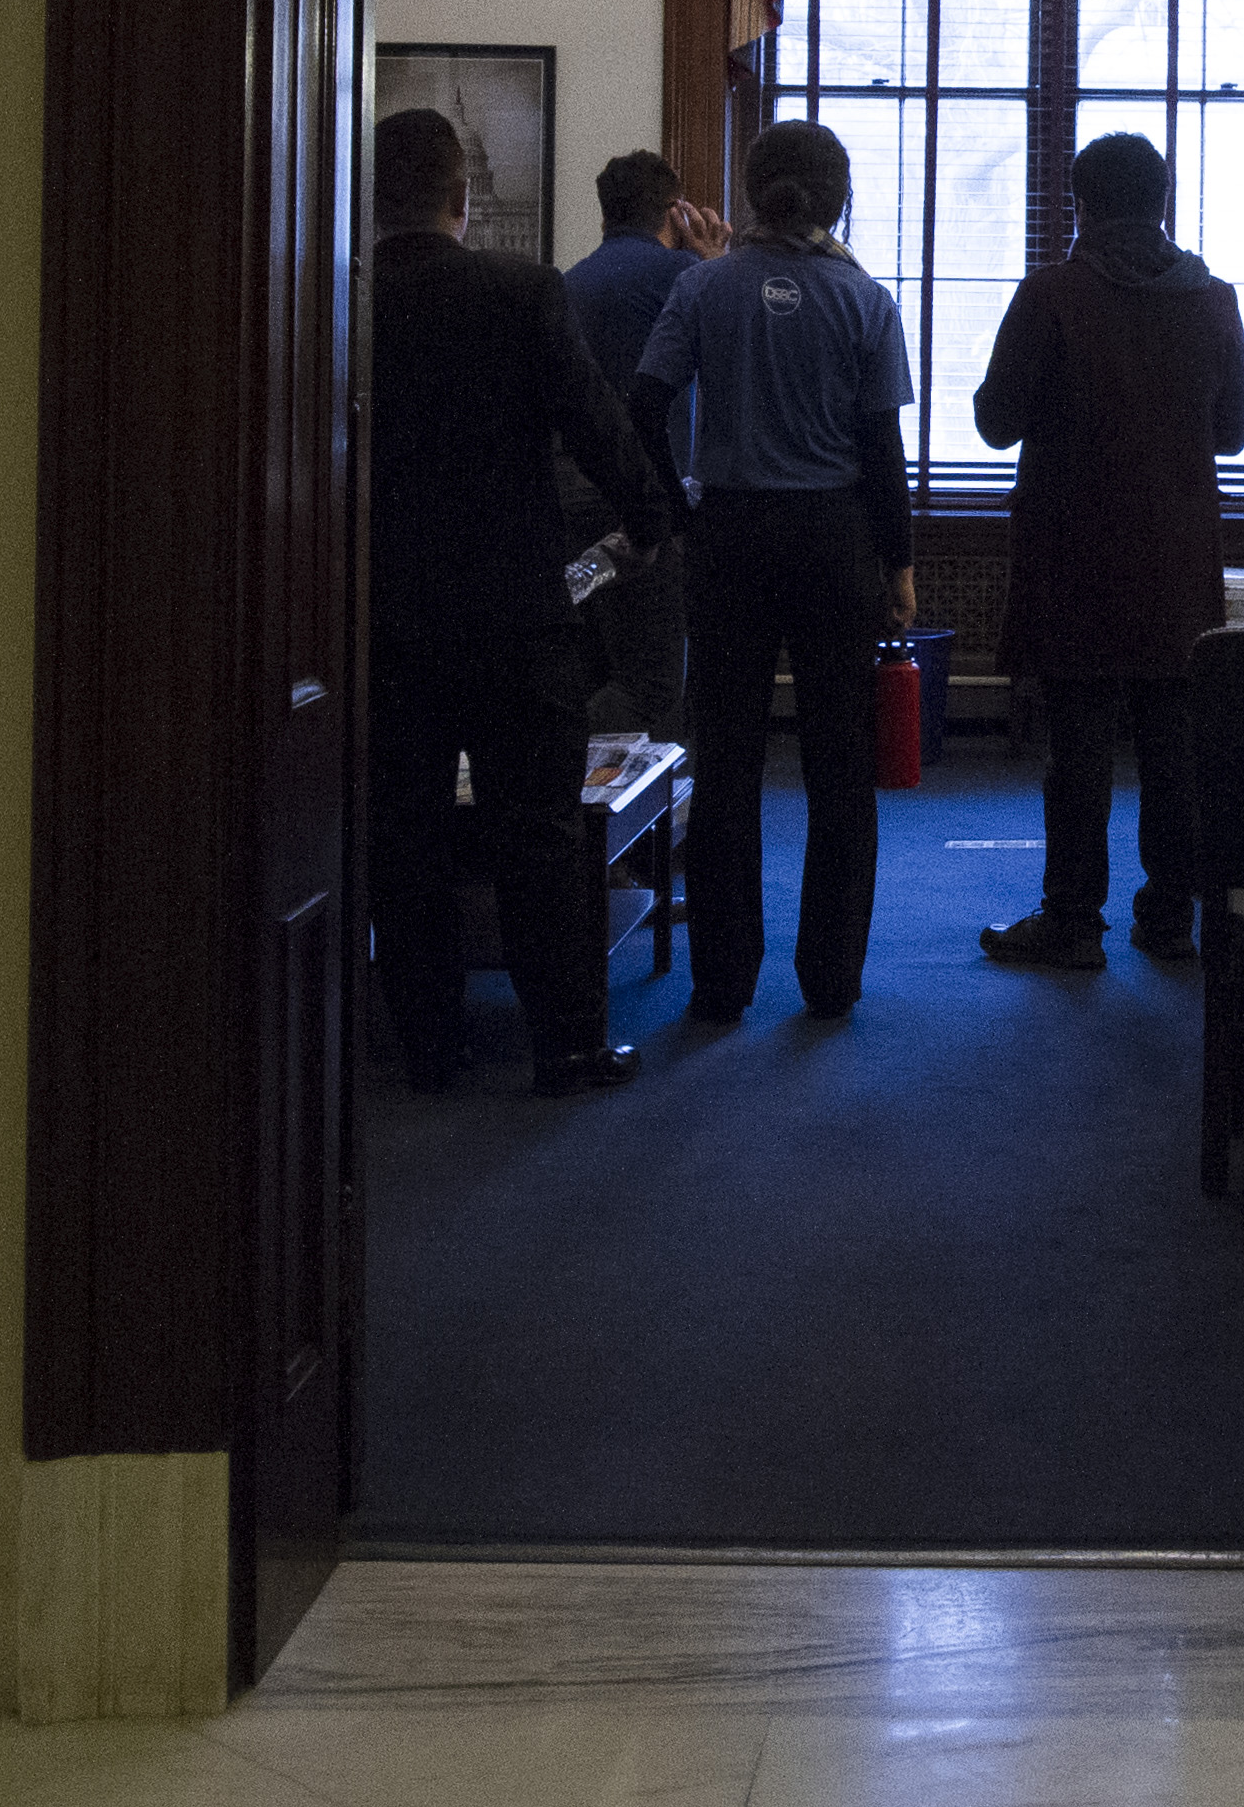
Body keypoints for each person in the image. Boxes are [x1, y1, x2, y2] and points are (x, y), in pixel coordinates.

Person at [367, 104, 677, 1097]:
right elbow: (596, 425)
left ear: (372, 199)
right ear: (464, 197)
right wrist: (649, 515)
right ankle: (567, 1045)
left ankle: (428, 1045)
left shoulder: (337, 299)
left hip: (387, 608)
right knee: (539, 831)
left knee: (404, 831)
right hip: (516, 602)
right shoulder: (520, 289)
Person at [632, 118, 915, 1021]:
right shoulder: (867, 299)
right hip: (834, 541)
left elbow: (642, 405)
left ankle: (723, 982)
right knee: (840, 764)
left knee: (726, 765)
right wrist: (898, 564)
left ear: (754, 192)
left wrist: (678, 512)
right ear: (837, 199)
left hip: (732, 538)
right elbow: (882, 451)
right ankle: (830, 981)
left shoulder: (703, 286)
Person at [969, 132, 1244, 969]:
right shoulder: (1215, 298)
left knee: (1079, 755)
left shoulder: (1052, 294)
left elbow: (995, 423)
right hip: (1177, 560)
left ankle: (1072, 920)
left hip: (1075, 556)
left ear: (1079, 204)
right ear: (1163, 201)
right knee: (1175, 754)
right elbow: (1234, 433)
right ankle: (1170, 917)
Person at [557, 148, 724, 740]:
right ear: (675, 213)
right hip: (648, 509)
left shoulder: (567, 283)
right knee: (655, 685)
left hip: (570, 506)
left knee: (594, 666)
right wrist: (712, 261)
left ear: (604, 215)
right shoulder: (688, 280)